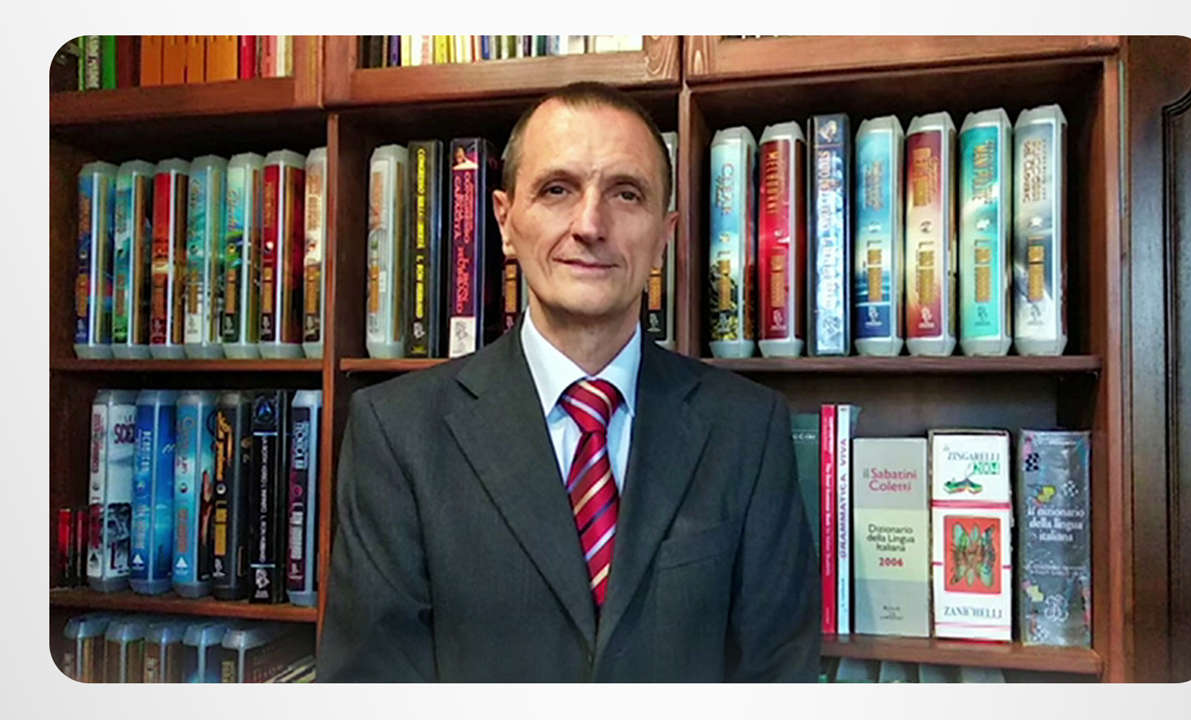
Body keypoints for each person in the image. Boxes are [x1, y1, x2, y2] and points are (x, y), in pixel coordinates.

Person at [317, 82, 818, 682]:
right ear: (505, 221)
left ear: (664, 236)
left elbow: (776, 676)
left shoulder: (748, 429)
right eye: (557, 189)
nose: (590, 225)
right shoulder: (397, 434)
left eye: (626, 193)